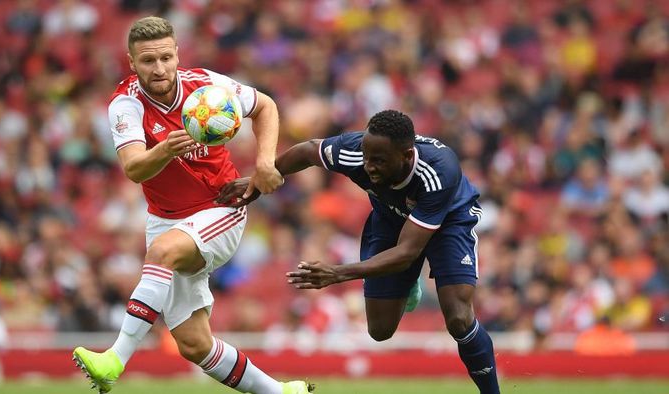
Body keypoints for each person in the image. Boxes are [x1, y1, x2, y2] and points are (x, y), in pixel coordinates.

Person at [72, 16, 313, 394]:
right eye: (148, 61)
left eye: (166, 58)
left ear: (177, 54)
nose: (160, 68)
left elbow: (264, 106)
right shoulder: (125, 104)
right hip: (166, 218)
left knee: (163, 252)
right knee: (194, 344)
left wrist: (265, 162)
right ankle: (280, 392)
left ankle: (114, 358)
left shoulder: (207, 87)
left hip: (220, 207)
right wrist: (166, 149)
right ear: (132, 63)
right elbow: (134, 168)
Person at [219, 110, 500, 393]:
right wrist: (259, 180)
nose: (368, 166)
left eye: (378, 160)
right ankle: (406, 279)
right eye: (366, 156)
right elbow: (306, 151)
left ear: (406, 155)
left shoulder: (439, 170)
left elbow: (406, 251)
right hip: (391, 218)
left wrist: (337, 273)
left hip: (449, 221)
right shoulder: (353, 151)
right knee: (380, 330)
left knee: (459, 317)